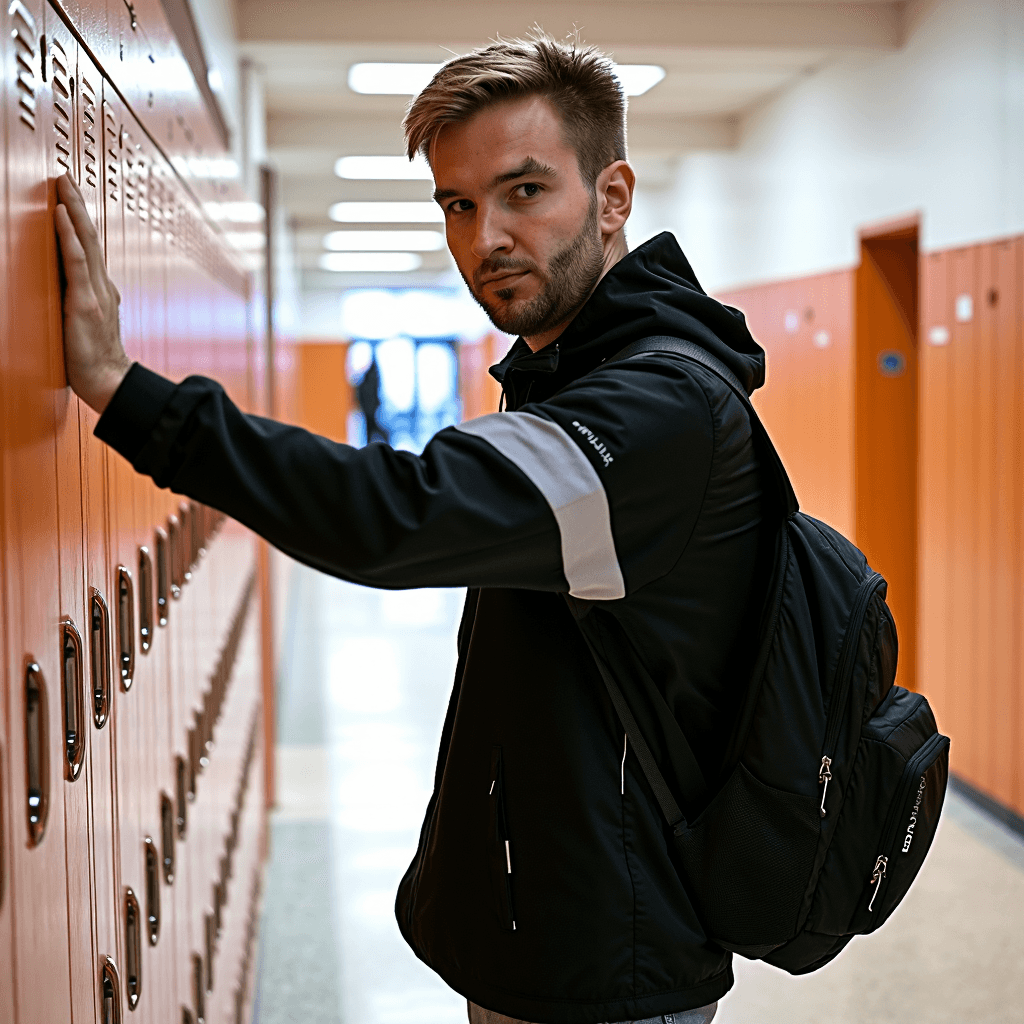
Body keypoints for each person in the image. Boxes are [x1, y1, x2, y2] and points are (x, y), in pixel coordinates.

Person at [56, 34, 769, 1024]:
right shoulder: (576, 377)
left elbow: (398, 515)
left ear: (612, 197)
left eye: (525, 191)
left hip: (610, 957)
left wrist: (123, 394)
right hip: (558, 916)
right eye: (458, 204)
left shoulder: (655, 411)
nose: (486, 237)